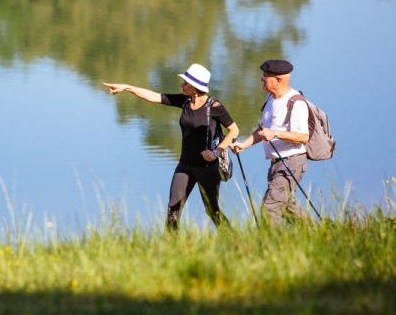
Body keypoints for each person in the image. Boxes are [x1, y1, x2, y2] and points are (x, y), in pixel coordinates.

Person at [103, 64, 239, 230]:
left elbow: (234, 130)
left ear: (195, 87)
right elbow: (154, 97)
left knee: (212, 211)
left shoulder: (215, 107)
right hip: (185, 166)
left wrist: (216, 151)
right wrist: (127, 87)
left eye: (185, 83)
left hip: (207, 167)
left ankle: (232, 239)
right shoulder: (185, 102)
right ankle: (172, 248)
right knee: (173, 211)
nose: (181, 85)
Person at [230, 59, 310, 224]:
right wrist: (244, 144)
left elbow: (303, 137)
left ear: (278, 80)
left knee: (270, 207)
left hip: (292, 162)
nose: (261, 79)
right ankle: (320, 233)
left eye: (265, 76)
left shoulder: (296, 103)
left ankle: (273, 245)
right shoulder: (270, 99)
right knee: (287, 207)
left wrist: (275, 134)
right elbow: (264, 130)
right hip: (276, 163)